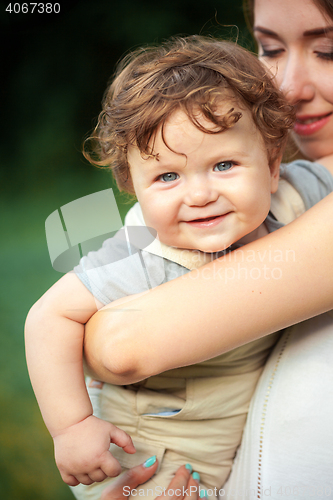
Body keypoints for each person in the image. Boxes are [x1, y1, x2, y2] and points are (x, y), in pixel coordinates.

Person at [24, 35, 333, 500]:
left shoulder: (294, 196)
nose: (199, 194)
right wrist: (73, 425)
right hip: (148, 461)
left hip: (221, 457)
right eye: (167, 176)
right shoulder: (144, 256)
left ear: (272, 166)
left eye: (224, 164)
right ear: (134, 189)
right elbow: (48, 317)